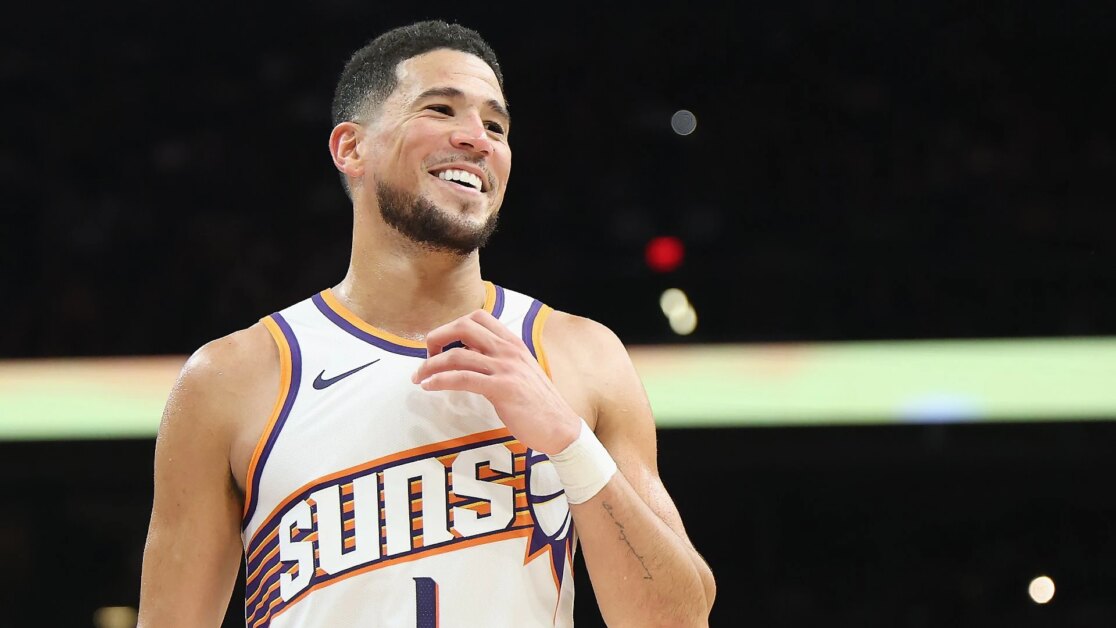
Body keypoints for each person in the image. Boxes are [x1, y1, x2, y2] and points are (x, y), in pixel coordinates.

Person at [138, 20, 715, 627]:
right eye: (440, 110)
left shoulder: (582, 357)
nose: (476, 139)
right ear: (351, 148)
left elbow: (681, 619)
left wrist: (570, 442)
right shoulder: (230, 379)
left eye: (496, 126)